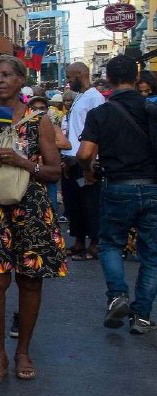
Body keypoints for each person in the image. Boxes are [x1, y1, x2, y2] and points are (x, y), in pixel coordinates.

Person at [0, 55, 67, 383]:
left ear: (21, 79)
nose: (0, 80)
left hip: (32, 208)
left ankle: (23, 350)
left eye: (7, 75)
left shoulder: (39, 120)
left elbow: (54, 171)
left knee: (29, 279)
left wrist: (24, 163)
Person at [77, 55, 157, 334]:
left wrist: (88, 170)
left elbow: (85, 153)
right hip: (152, 187)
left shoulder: (100, 113)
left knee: (111, 244)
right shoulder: (151, 108)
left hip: (117, 186)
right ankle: (142, 316)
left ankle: (118, 296)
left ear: (108, 80)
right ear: (137, 79)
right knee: (151, 254)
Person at [62, 62, 105, 261]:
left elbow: (99, 131)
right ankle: (79, 241)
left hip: (86, 159)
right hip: (72, 159)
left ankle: (94, 243)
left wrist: (91, 163)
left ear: (81, 74)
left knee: (91, 203)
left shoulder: (95, 97)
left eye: (70, 77)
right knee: (75, 203)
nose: (68, 81)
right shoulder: (80, 96)